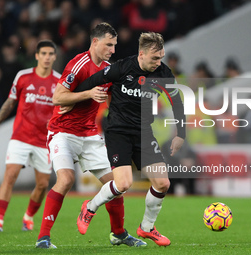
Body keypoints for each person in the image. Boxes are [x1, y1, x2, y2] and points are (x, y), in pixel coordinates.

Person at [35, 23, 146, 249]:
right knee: (65, 180)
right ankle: (43, 238)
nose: (113, 50)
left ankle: (119, 234)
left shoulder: (108, 68)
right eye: (108, 45)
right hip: (63, 133)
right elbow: (57, 97)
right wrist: (86, 94)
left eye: (114, 45)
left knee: (117, 185)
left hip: (90, 135)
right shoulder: (78, 64)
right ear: (95, 42)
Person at [71, 32, 186, 246]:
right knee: (123, 184)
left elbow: (177, 102)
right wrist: (71, 100)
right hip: (118, 132)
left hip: (144, 132)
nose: (158, 62)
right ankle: (89, 208)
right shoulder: (122, 68)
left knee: (162, 183)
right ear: (141, 54)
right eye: (154, 58)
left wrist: (181, 134)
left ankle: (146, 228)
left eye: (161, 57)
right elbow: (92, 81)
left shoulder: (163, 73)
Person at [0, 40, 60, 232]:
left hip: (44, 141)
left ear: (55, 57)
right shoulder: (23, 76)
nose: (47, 57)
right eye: (43, 53)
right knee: (10, 175)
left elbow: (63, 110)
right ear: (36, 56)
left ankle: (28, 217)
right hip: (21, 136)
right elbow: (10, 103)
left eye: (50, 54)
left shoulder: (59, 82)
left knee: (43, 185)